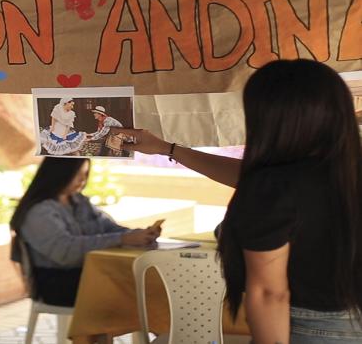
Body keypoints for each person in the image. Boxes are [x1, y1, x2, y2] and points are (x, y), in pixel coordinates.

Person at [113, 59, 362, 343]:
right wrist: (166, 148)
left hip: (311, 329)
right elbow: (255, 178)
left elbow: (270, 294)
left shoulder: (272, 187)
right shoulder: (340, 172)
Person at [10, 157, 161, 306]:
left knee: (147, 279)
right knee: (137, 286)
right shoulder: (38, 212)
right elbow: (66, 252)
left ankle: (156, 326)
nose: (82, 179)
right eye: (78, 173)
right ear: (59, 173)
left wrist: (140, 235)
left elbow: (107, 227)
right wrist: (123, 239)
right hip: (57, 284)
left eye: (86, 174)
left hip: (85, 274)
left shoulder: (79, 201)